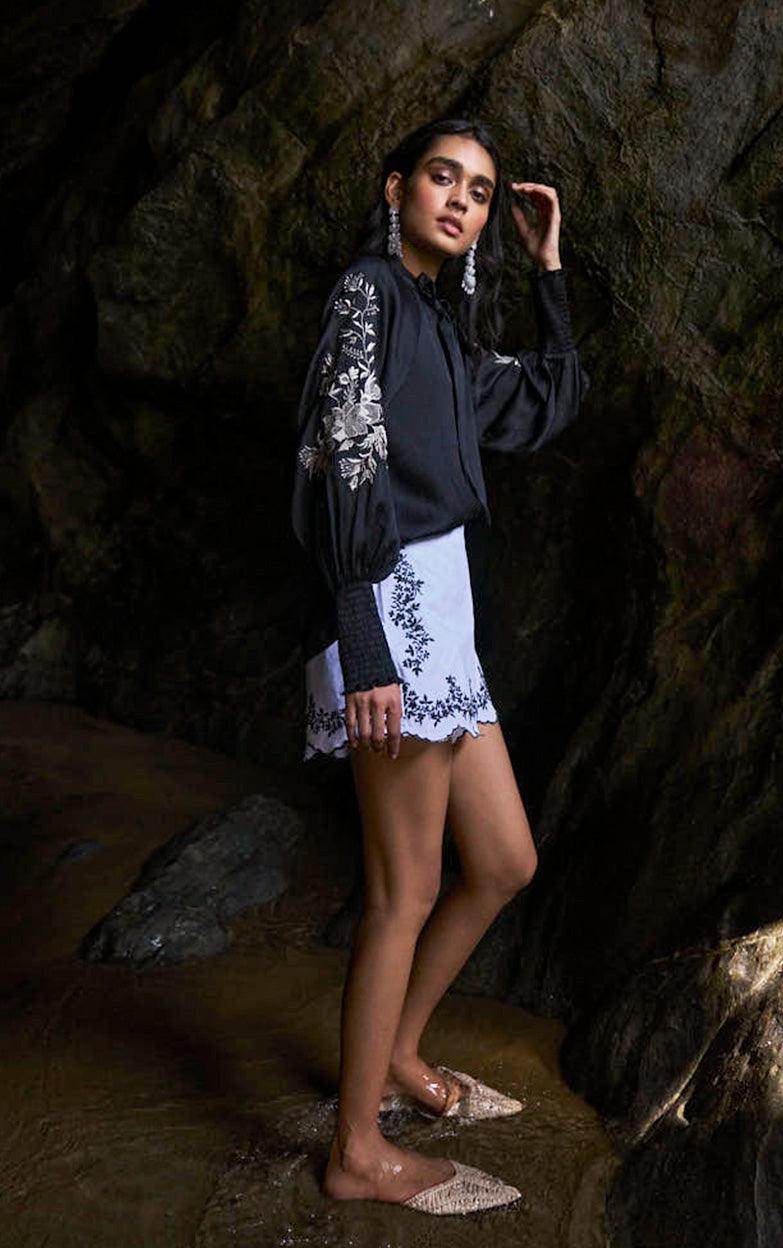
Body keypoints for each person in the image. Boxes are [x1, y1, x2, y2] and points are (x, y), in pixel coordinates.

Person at [289, 117, 590, 1216]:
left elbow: (548, 401)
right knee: (404, 890)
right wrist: (364, 643)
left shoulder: (444, 326)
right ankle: (355, 1151)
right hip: (390, 602)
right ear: (397, 189)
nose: (460, 200)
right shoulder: (367, 295)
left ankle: (399, 1059)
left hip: (443, 612)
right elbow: (342, 461)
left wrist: (548, 269)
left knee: (503, 860)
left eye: (479, 191)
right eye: (441, 178)